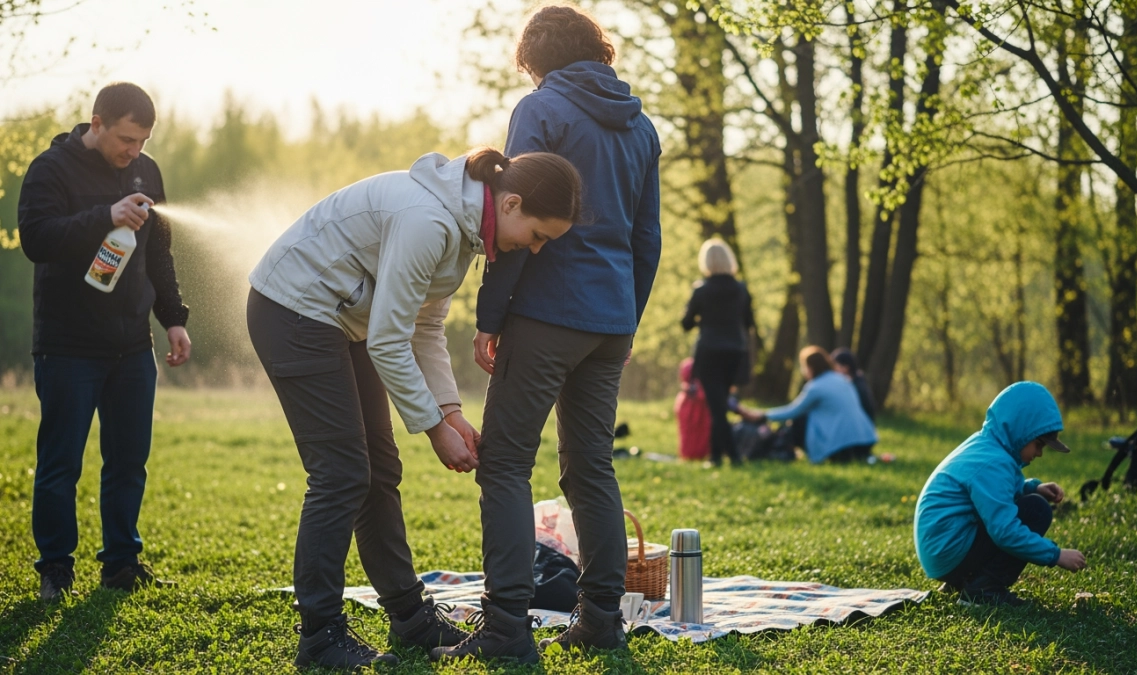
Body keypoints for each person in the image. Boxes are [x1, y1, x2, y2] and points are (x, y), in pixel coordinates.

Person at [246, 147, 582, 669]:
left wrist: (448, 411)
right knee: (340, 474)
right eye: (538, 236)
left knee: (378, 470)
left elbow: (423, 326)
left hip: (342, 322)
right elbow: (387, 340)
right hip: (295, 312)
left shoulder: (464, 233)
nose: (535, 250)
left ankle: (410, 618)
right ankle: (319, 636)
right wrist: (432, 429)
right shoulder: (429, 221)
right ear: (511, 204)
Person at [435, 5, 661, 664]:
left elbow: (519, 214)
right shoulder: (641, 126)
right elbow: (647, 237)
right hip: (610, 321)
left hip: (546, 313)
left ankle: (505, 629)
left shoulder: (543, 109)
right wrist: (625, 316)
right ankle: (600, 620)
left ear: (538, 59)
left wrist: (490, 316)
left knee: (505, 461)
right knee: (590, 467)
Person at [17, 82, 191, 603]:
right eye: (125, 139)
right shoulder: (51, 170)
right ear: (96, 124)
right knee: (60, 464)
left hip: (132, 347)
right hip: (68, 346)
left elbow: (158, 253)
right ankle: (55, 568)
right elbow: (37, 239)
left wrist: (174, 319)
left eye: (142, 141)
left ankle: (120, 562)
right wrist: (105, 216)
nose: (133, 151)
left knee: (127, 461)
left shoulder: (147, 172)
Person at [914, 381, 1087, 606]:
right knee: (1037, 510)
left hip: (942, 551)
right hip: (949, 551)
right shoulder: (994, 463)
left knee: (1032, 500)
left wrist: (1031, 487)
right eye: (1038, 444)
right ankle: (983, 589)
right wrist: (1056, 555)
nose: (1040, 453)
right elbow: (1005, 532)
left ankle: (963, 580)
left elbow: (997, 492)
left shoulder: (987, 446)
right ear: (1021, 432)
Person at [681, 238, 756, 467]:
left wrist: (703, 320)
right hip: (735, 351)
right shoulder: (741, 289)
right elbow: (749, 323)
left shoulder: (701, 290)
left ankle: (733, 456)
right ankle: (715, 456)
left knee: (717, 407)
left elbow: (686, 323)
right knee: (720, 404)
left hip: (709, 352)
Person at [741, 346, 877, 463]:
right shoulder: (843, 380)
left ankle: (782, 450)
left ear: (811, 367)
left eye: (804, 367)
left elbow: (793, 411)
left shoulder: (815, 387)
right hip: (865, 441)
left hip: (841, 446)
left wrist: (762, 415)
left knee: (800, 418)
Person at [831, 347, 876, 421]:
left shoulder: (856, 386)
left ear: (845, 368)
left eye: (835, 366)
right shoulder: (855, 381)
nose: (833, 370)